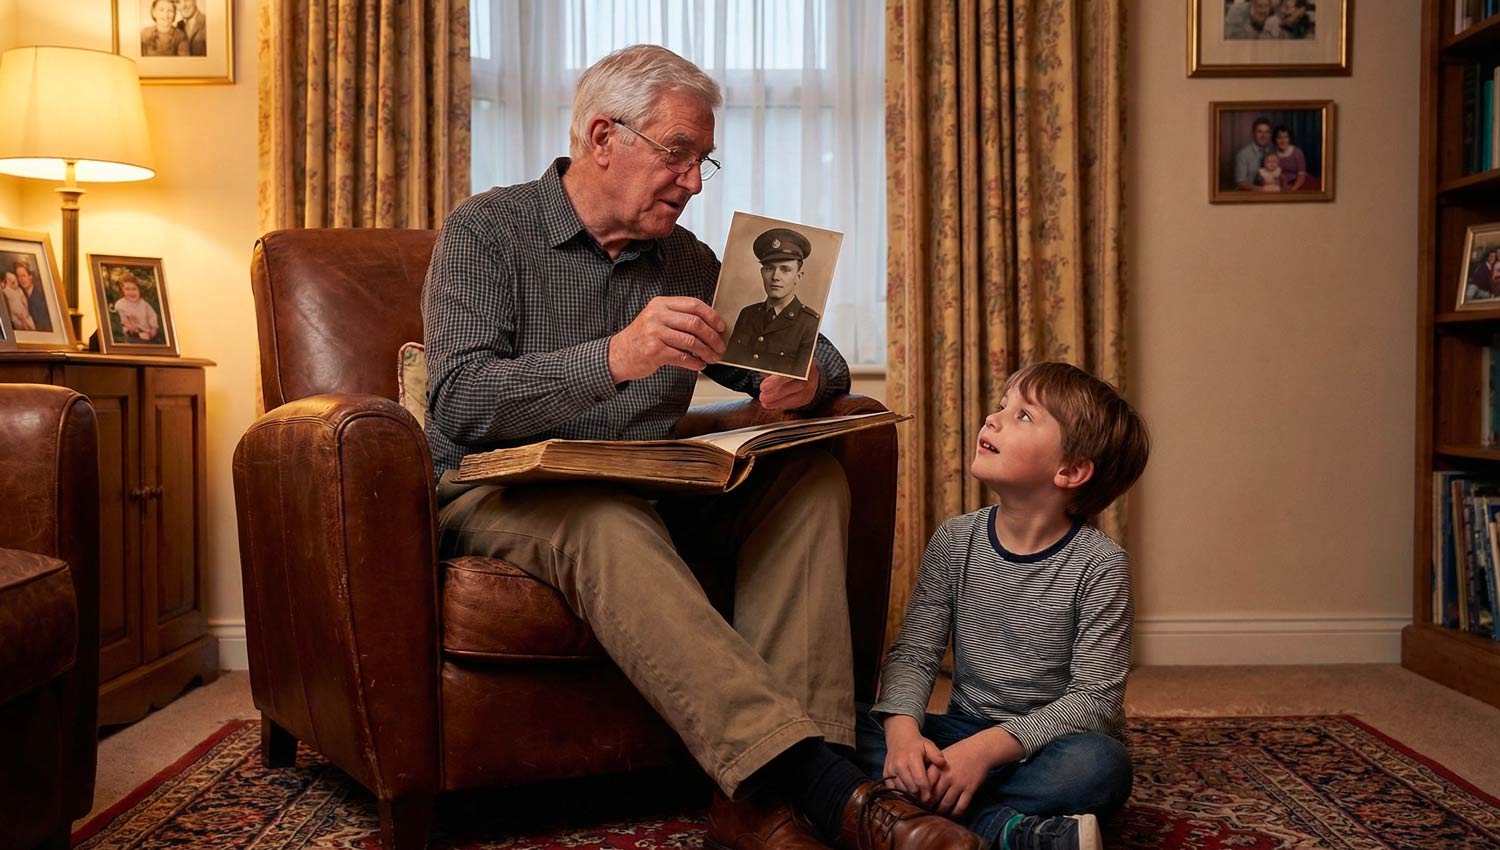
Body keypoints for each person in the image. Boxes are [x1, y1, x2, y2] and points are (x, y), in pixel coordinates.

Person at [423, 44, 982, 850]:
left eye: (701, 161)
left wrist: (805, 379)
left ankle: (763, 804)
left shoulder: (683, 259)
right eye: (676, 154)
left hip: (654, 491)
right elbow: (460, 401)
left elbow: (802, 351)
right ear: (602, 136)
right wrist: (618, 356)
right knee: (603, 520)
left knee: (811, 482)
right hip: (505, 494)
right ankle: (827, 791)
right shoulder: (487, 230)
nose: (692, 182)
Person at [854, 362, 1150, 850]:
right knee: (831, 725)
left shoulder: (1101, 564)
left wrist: (985, 753)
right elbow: (915, 654)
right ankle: (1013, 830)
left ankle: (919, 809)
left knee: (1100, 768)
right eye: (1001, 406)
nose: (992, 419)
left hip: (1045, 748)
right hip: (962, 731)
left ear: (1071, 471)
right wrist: (905, 735)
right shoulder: (955, 541)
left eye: (1023, 416)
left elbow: (1095, 701)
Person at [723, 227, 822, 377]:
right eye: (769, 268)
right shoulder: (747, 315)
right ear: (762, 273)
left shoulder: (809, 323)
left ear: (798, 276)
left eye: (785, 270)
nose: (775, 277)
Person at [113, 273, 161, 343]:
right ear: (122, 290)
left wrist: (153, 329)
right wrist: (129, 325)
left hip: (146, 331)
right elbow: (122, 319)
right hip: (131, 331)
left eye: (134, 289)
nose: (131, 292)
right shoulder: (120, 304)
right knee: (127, 332)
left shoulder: (144, 305)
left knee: (150, 340)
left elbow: (152, 316)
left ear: (139, 290)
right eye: (127, 289)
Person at [1233, 118, 1275, 192]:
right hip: (1248, 197)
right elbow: (1240, 182)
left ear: (1270, 135)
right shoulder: (1243, 154)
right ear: (1253, 133)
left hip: (1268, 196)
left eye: (1267, 132)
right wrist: (1262, 190)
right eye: (1259, 132)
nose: (1263, 135)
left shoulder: (1271, 152)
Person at [15, 260, 51, 333]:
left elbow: (42, 327)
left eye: (23, 276)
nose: (21, 279)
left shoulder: (40, 298)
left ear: (30, 276)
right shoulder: (21, 295)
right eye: (19, 277)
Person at [1272, 126, 1308, 192]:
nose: (1283, 141)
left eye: (1286, 137)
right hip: (1281, 185)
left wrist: (1293, 189)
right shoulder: (1273, 154)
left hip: (1298, 183)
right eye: (1279, 137)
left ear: (1289, 138)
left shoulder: (1297, 152)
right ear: (1275, 139)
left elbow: (1301, 176)